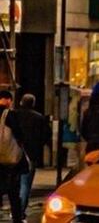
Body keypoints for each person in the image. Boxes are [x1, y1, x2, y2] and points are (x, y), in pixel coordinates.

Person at [13, 94, 45, 216]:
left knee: (14, 183)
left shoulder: (13, 115)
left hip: (14, 152)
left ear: (21, 102)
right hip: (31, 154)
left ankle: (16, 209)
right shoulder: (39, 118)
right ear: (33, 104)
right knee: (25, 183)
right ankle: (21, 211)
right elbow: (45, 135)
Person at [0, 92, 28, 223]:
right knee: (13, 190)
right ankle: (17, 217)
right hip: (8, 157)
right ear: (8, 100)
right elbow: (19, 133)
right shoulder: (9, 114)